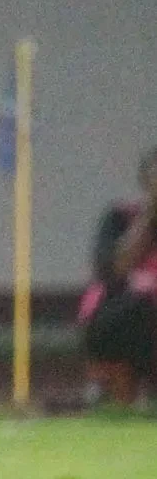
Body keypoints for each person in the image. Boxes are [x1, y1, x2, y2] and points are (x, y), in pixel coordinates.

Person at [79, 146, 157, 405]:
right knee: (141, 307)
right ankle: (120, 387)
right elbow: (118, 268)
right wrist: (150, 212)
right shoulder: (119, 218)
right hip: (123, 314)